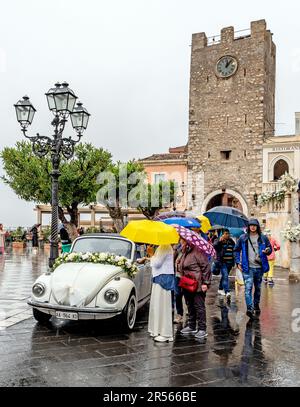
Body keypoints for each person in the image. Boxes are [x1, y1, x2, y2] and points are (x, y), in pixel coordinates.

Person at [234, 218, 272, 320]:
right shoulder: (243, 238)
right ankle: (249, 309)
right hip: (247, 268)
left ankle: (256, 304)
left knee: (258, 289)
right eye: (251, 225)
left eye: (254, 225)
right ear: (248, 227)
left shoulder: (263, 238)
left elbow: (270, 249)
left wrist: (267, 251)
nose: (253, 227)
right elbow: (236, 250)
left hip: (259, 267)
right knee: (248, 289)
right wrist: (238, 262)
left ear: (257, 227)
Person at [178, 237, 212, 339]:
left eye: (181, 240)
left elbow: (206, 267)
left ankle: (202, 328)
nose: (180, 242)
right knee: (190, 305)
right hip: (187, 283)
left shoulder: (197, 251)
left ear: (187, 241)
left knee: (199, 306)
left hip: (197, 283)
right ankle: (192, 325)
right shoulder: (185, 251)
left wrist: (206, 282)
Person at [147, 245, 175, 342]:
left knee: (162, 305)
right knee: (158, 304)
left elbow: (157, 263)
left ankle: (166, 334)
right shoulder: (163, 247)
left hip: (163, 279)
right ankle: (157, 330)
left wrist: (151, 254)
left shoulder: (164, 246)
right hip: (160, 278)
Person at [213, 228, 236, 301]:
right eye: (225, 233)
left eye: (228, 233)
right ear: (222, 234)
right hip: (222, 262)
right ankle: (227, 292)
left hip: (230, 262)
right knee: (225, 276)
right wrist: (220, 241)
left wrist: (234, 261)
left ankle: (220, 289)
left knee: (224, 276)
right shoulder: (218, 240)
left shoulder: (231, 241)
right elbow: (215, 246)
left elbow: (234, 249)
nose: (227, 235)